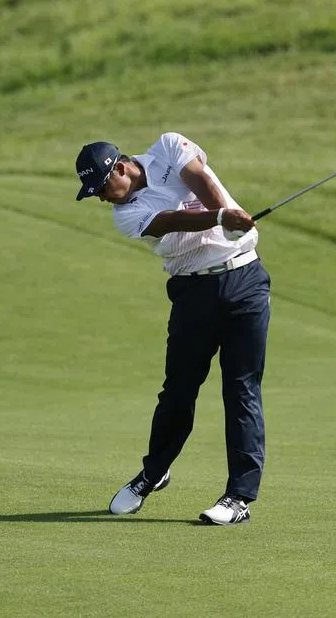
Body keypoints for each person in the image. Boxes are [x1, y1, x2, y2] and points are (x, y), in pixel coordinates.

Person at [74, 132, 270, 526]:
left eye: (101, 186)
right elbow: (171, 221)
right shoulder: (126, 216)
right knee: (178, 391)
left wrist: (227, 219)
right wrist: (219, 218)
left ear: (122, 167)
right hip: (192, 291)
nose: (101, 197)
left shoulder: (167, 147)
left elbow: (200, 178)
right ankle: (154, 473)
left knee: (241, 388)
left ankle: (238, 497)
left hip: (245, 280)